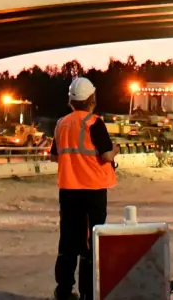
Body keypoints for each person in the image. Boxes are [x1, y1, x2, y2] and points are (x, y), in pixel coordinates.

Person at [51, 76, 118, 300]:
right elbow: (106, 154)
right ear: (92, 98)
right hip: (93, 192)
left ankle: (64, 291)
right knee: (91, 244)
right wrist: (116, 150)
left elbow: (54, 156)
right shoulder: (94, 122)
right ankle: (89, 292)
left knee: (68, 242)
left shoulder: (61, 123)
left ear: (71, 100)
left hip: (68, 191)